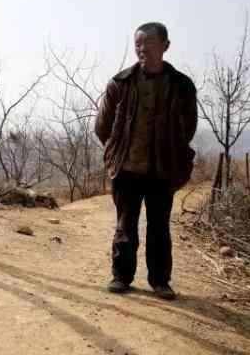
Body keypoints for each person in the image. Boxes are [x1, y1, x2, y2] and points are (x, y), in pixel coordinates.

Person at [95, 22, 198, 300]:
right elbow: (102, 126)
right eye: (138, 43)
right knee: (125, 226)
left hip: (162, 170)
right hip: (127, 169)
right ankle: (121, 276)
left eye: (149, 43)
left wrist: (171, 151)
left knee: (159, 227)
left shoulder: (182, 86)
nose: (143, 49)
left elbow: (188, 127)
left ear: (165, 45)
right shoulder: (121, 82)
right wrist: (116, 152)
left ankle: (160, 281)